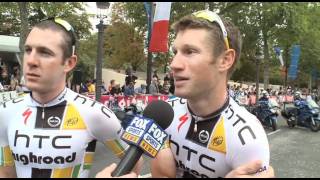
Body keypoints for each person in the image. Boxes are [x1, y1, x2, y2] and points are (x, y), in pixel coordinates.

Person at [0, 18, 141, 178]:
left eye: (45, 52)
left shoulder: (94, 113)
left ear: (69, 63)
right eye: (28, 50)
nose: (31, 60)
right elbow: (5, 173)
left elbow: (134, 163)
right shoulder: (6, 112)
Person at [151, 10, 273, 178]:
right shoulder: (163, 115)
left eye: (190, 51)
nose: (174, 64)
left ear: (225, 60)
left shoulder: (248, 139)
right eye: (175, 52)